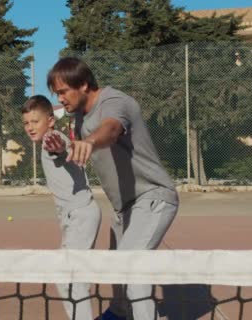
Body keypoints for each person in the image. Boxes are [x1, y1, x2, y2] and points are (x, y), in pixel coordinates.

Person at [45, 57, 179, 320]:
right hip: (124, 209)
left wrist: (91, 141)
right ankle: (118, 314)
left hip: (153, 197)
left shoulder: (114, 101)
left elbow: (111, 129)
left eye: (63, 91)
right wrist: (65, 150)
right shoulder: (80, 118)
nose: (60, 99)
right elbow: (83, 150)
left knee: (132, 270)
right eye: (56, 94)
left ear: (83, 84)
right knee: (116, 275)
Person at [22, 95, 102, 320]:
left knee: (67, 279)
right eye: (26, 123)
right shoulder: (53, 138)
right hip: (76, 217)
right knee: (74, 278)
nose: (30, 127)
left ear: (50, 121)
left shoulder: (53, 138)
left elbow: (58, 149)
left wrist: (57, 147)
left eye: (35, 122)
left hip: (80, 216)